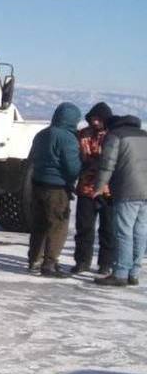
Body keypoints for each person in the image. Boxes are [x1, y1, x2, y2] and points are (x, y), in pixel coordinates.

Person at [27, 102, 82, 277]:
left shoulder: (41, 134)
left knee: (39, 224)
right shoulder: (68, 138)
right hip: (57, 188)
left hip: (37, 183)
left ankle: (34, 259)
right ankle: (49, 263)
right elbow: (73, 167)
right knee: (57, 225)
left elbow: (31, 157)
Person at [93, 114, 147, 287]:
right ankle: (134, 272)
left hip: (127, 190)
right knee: (140, 231)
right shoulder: (144, 135)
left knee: (124, 232)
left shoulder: (115, 136)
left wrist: (99, 187)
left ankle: (121, 273)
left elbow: (107, 163)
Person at [73, 102, 116, 275]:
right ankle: (82, 261)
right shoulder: (83, 134)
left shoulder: (113, 137)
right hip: (86, 188)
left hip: (108, 191)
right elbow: (78, 156)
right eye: (93, 119)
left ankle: (105, 263)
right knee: (84, 228)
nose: (96, 122)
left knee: (108, 229)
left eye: (99, 119)